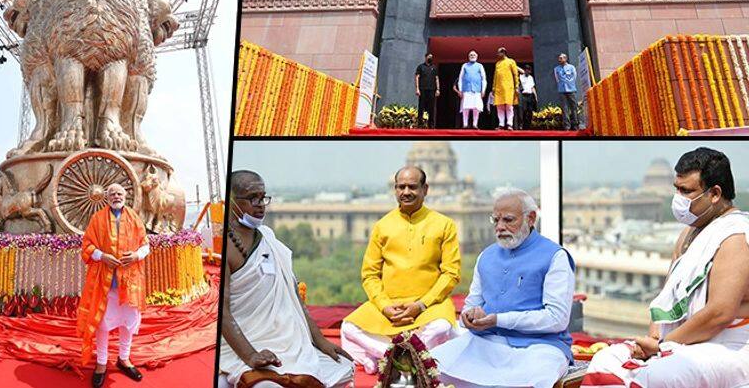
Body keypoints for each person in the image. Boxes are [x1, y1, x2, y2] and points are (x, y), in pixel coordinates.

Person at [583, 148, 749, 387]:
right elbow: (667, 297)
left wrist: (663, 345)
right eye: (676, 188)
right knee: (606, 360)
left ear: (714, 194)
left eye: (686, 191)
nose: (678, 198)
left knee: (660, 374)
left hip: (728, 346)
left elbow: (719, 314)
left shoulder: (735, 236)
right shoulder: (688, 234)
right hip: (681, 342)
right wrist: (652, 338)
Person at [219, 170, 354, 388]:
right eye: (252, 198)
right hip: (244, 342)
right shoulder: (226, 246)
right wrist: (251, 355)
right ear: (231, 200)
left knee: (344, 367)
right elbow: (222, 312)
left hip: (287, 342)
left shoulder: (269, 238)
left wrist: (320, 341)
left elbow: (293, 295)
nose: (260, 204)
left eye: (263, 197)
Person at [431, 188, 576, 388]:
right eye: (495, 220)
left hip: (539, 347)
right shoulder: (486, 256)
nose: (500, 227)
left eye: (508, 220)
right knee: (429, 364)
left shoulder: (555, 256)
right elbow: (471, 304)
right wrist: (469, 317)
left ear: (531, 218)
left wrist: (498, 319)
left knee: (534, 379)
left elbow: (556, 319)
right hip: (487, 342)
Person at [341, 166, 460, 374]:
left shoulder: (444, 225)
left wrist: (421, 305)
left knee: (442, 326)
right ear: (395, 189)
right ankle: (402, 356)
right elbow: (370, 275)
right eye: (401, 187)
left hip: (428, 305)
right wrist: (385, 306)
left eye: (412, 187)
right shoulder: (382, 226)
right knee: (349, 328)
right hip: (391, 306)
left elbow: (451, 273)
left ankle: (385, 357)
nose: (406, 192)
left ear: (425, 189)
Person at [77, 184, 150, 388]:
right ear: (106, 198)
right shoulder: (97, 219)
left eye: (119, 193)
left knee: (128, 322)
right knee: (102, 323)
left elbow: (146, 245)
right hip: (105, 281)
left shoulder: (135, 218)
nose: (116, 196)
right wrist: (102, 256)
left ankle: (124, 358)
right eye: (112, 194)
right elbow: (87, 245)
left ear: (125, 196)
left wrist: (136, 255)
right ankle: (101, 363)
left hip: (130, 281)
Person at [454, 50, 486, 129]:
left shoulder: (480, 66)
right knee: (465, 108)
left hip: (477, 90)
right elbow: (460, 78)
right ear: (468, 57)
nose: (472, 56)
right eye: (471, 55)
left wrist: (483, 90)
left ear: (477, 56)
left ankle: (475, 124)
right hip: (466, 90)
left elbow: (483, 79)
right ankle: (465, 124)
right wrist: (460, 90)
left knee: (476, 108)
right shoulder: (464, 65)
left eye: (474, 55)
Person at [493, 47, 520, 130]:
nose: (498, 54)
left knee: (509, 106)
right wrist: (493, 87)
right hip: (498, 88)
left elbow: (515, 74)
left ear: (504, 53)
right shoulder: (497, 64)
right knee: (499, 106)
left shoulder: (511, 61)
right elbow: (495, 77)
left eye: (499, 53)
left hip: (509, 87)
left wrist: (516, 86)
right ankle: (501, 124)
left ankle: (509, 124)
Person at [415, 53, 440, 129]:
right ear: (425, 57)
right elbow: (417, 77)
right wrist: (417, 88)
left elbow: (436, 79)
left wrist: (438, 89)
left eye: (431, 57)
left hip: (432, 89)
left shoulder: (434, 67)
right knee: (421, 107)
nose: (430, 58)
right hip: (422, 89)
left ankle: (431, 124)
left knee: (431, 107)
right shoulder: (420, 67)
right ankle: (420, 124)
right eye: (429, 57)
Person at [554, 54, 578, 130]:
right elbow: (557, 79)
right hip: (562, 90)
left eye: (561, 58)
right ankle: (567, 126)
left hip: (571, 89)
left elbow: (574, 77)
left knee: (574, 108)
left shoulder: (571, 67)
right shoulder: (556, 69)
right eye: (559, 58)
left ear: (566, 58)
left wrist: (570, 84)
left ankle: (575, 125)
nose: (560, 59)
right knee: (564, 109)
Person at [519, 64, 538, 129]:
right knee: (523, 110)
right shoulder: (521, 76)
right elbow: (517, 69)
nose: (527, 71)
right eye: (526, 69)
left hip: (530, 95)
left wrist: (535, 96)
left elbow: (532, 87)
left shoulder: (531, 77)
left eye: (528, 70)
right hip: (523, 95)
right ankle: (522, 125)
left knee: (530, 111)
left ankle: (529, 125)